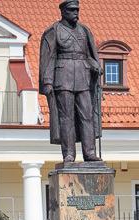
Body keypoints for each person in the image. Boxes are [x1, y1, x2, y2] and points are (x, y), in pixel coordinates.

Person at [39, 0, 103, 163]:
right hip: (63, 77)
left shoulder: (84, 30)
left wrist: (95, 65)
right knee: (66, 117)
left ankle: (89, 152)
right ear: (63, 12)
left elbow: (90, 55)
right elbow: (49, 58)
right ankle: (69, 154)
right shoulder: (54, 31)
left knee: (87, 116)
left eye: (77, 10)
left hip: (83, 77)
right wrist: (47, 81)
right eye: (72, 10)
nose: (76, 13)